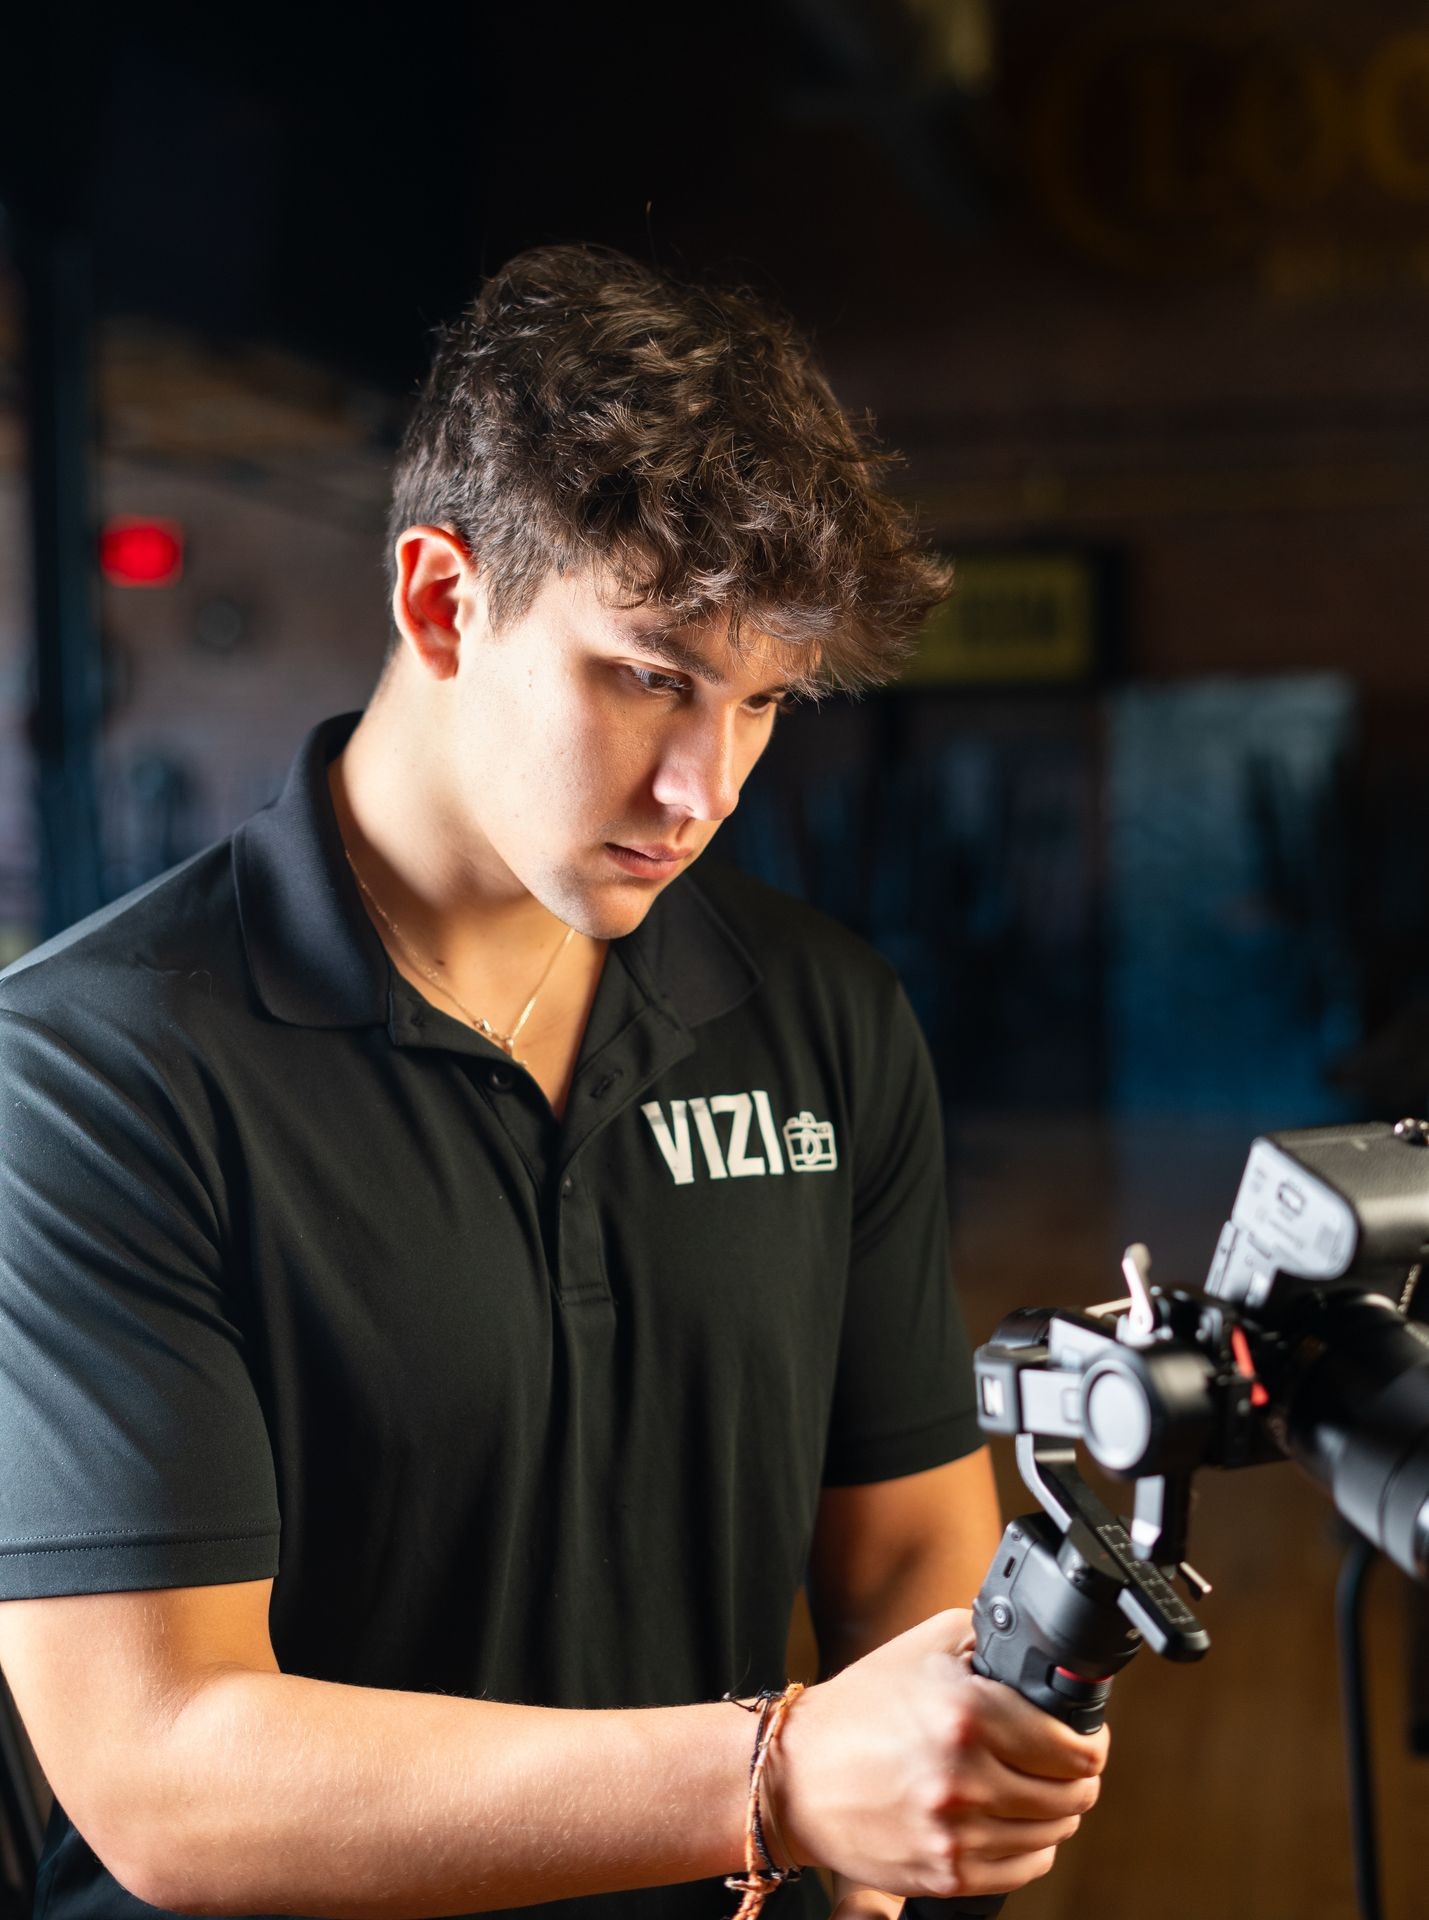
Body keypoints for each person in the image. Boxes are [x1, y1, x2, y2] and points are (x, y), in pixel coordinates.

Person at [0, 245, 1106, 1920]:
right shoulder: (89, 1074)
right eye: (649, 676)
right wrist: (782, 1780)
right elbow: (170, 1771)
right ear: (442, 600)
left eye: (761, 706)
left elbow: (899, 1547)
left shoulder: (817, 1013)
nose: (701, 786)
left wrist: (937, 1768)